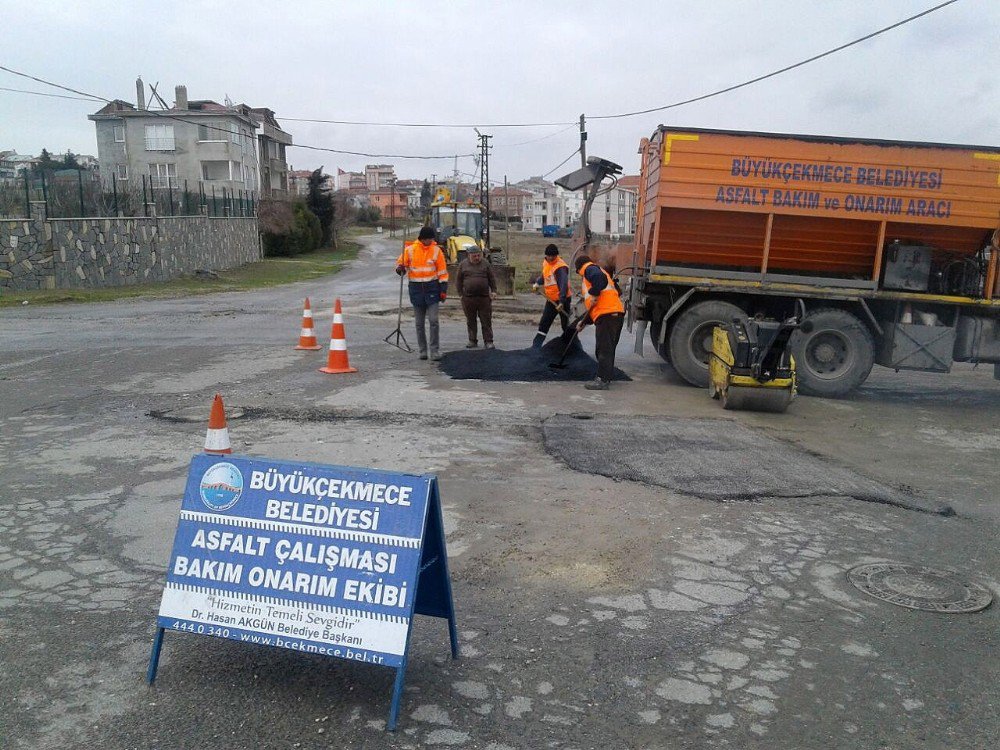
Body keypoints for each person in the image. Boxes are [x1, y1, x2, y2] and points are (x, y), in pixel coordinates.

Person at [396, 226, 449, 361]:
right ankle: (423, 351)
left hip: (432, 289)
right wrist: (400, 269)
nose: (430, 241)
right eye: (428, 239)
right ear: (423, 238)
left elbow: (442, 272)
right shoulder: (410, 250)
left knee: (433, 320)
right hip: (416, 290)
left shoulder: (437, 251)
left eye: (432, 239)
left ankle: (434, 351)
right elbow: (401, 264)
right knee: (419, 324)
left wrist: (443, 289)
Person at [574, 254, 625, 390]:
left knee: (603, 349)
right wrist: (583, 323)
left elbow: (599, 280)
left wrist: (595, 292)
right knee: (608, 348)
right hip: (614, 314)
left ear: (579, 268)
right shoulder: (598, 272)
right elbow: (596, 306)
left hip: (608, 315)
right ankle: (607, 376)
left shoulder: (589, 269)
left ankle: (602, 380)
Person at [455, 246, 497, 349]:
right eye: (474, 256)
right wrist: (460, 294)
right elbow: (458, 280)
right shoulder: (463, 265)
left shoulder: (486, 264)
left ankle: (488, 341)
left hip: (484, 298)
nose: (477, 258)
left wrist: (494, 291)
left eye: (479, 255)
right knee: (471, 320)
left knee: (486, 320)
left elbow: (492, 278)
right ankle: (472, 340)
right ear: (469, 255)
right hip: (468, 298)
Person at [531, 244, 571, 348]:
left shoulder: (560, 267)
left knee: (565, 325)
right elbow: (545, 276)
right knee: (545, 322)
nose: (550, 258)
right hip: (551, 300)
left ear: (556, 255)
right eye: (549, 256)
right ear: (546, 255)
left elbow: (563, 285)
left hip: (563, 300)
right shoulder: (546, 263)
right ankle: (536, 347)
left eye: (553, 256)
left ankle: (573, 347)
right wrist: (538, 283)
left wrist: (562, 301)